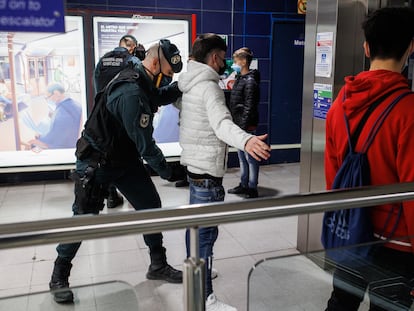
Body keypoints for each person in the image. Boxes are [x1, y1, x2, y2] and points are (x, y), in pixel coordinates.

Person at [49, 39, 186, 304]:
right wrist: (169, 172)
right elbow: (146, 146)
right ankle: (59, 276)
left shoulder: (141, 74)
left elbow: (157, 95)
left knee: (151, 206)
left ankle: (157, 264)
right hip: (97, 161)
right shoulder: (131, 93)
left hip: (124, 158)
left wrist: (181, 88)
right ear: (155, 63)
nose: (165, 80)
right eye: (167, 74)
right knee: (83, 219)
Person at [324, 7, 414, 311]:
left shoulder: (340, 103)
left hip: (352, 232)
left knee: (341, 303)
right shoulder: (409, 110)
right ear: (410, 47)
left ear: (366, 47)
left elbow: (333, 174)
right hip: (398, 242)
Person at [177, 33, 271, 311]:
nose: (226, 63)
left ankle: (193, 277)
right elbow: (221, 124)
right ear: (215, 57)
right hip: (207, 175)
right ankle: (204, 297)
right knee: (205, 236)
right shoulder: (210, 88)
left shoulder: (189, 82)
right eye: (224, 57)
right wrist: (247, 140)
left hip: (195, 168)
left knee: (195, 231)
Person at [93, 34, 142, 209]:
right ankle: (135, 194)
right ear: (131, 47)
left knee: (108, 153)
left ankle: (112, 196)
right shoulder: (132, 60)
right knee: (128, 151)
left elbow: (97, 86)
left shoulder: (103, 60)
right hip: (124, 112)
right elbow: (142, 84)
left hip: (103, 115)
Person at [227, 47, 261, 198]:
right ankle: (244, 184)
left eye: (236, 60)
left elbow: (249, 106)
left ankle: (252, 188)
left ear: (244, 61)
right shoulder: (240, 79)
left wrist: (243, 127)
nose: (234, 63)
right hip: (239, 125)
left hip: (246, 125)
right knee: (242, 157)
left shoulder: (250, 81)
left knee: (251, 157)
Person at [28, 83, 81, 149]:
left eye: (48, 97)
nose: (48, 100)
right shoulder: (73, 104)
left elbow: (54, 139)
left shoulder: (62, 112)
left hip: (64, 147)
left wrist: (39, 138)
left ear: (56, 93)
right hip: (72, 143)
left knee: (30, 144)